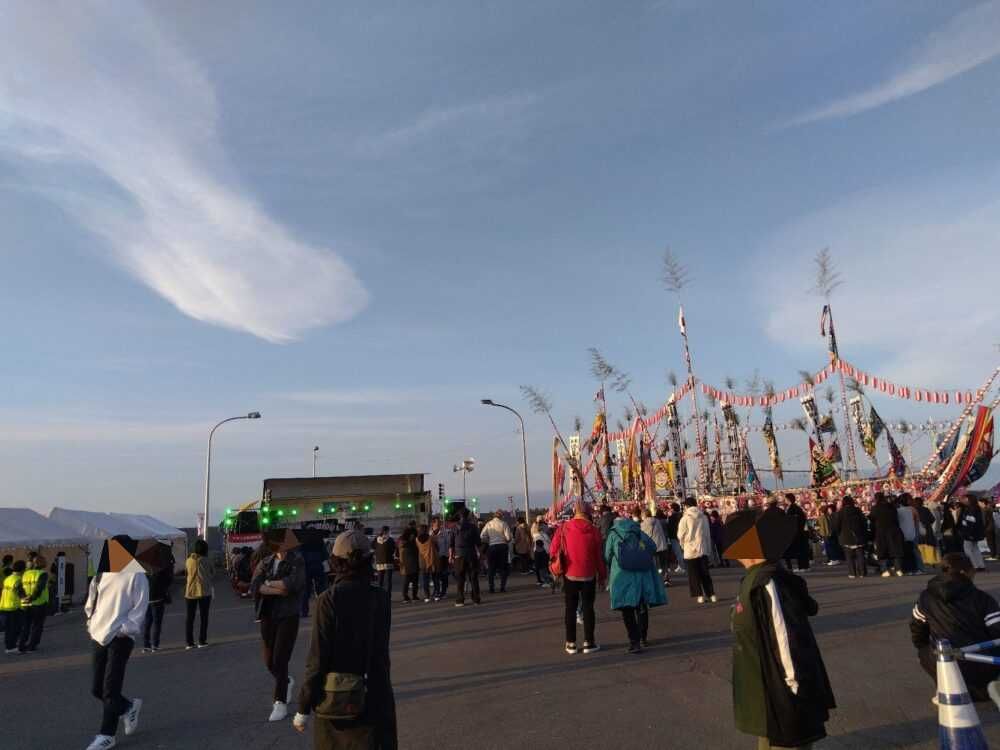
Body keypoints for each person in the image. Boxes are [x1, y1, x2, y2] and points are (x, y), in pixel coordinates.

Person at [724, 511, 836, 749]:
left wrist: (792, 682)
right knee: (771, 738)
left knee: (786, 741)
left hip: (779, 687)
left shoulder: (767, 582)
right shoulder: (754, 579)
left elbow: (784, 635)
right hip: (766, 686)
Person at [293, 529, 397, 748]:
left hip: (337, 700)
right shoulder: (381, 597)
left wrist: (303, 706)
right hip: (377, 694)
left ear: (335, 561)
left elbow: (317, 660)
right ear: (369, 560)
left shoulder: (328, 600)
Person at [84, 536, 149, 750]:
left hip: (120, 639)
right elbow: (92, 601)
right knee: (96, 689)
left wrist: (124, 630)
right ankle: (128, 707)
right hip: (98, 635)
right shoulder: (103, 573)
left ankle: (107, 734)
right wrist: (91, 623)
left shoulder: (136, 575)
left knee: (110, 690)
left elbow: (140, 608)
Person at [910, 553, 1000, 704]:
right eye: (973, 571)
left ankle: (946, 686)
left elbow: (917, 629)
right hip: (983, 664)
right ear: (965, 572)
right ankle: (986, 686)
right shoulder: (982, 598)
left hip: (945, 661)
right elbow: (997, 631)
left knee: (924, 652)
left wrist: (924, 649)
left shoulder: (925, 597)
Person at [252, 536, 306, 722]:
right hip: (267, 614)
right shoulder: (265, 561)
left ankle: (279, 702)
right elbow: (255, 585)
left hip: (288, 614)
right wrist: (275, 587)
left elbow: (292, 585)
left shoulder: (297, 560)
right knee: (269, 661)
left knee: (280, 658)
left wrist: (268, 584)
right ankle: (286, 681)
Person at [605, 515, 667, 654]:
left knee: (627, 610)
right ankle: (643, 636)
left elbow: (607, 555)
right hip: (641, 574)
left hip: (622, 576)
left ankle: (634, 641)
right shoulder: (638, 531)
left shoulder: (613, 534)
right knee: (641, 606)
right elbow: (652, 546)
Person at [550, 502, 606, 654]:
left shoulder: (563, 528)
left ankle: (571, 643)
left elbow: (553, 549)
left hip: (570, 573)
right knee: (588, 608)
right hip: (588, 574)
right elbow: (599, 556)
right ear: (588, 513)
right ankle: (589, 642)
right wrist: (602, 576)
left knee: (570, 608)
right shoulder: (594, 530)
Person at [677, 498, 716, 604]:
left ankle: (700, 595)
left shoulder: (685, 518)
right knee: (705, 573)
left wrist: (683, 544)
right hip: (702, 548)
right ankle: (711, 594)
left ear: (687, 506)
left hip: (690, 549)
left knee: (693, 574)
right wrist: (708, 548)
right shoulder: (703, 517)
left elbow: (680, 534)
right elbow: (707, 534)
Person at [184, 539, 214, 649]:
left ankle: (189, 643)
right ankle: (202, 641)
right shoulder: (207, 561)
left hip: (190, 592)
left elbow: (186, 573)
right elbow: (213, 573)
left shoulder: (188, 561)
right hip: (205, 592)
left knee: (190, 618)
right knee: (204, 617)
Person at [142, 549, 174, 653]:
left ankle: (146, 645)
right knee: (157, 622)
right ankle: (155, 645)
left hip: (147, 599)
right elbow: (168, 581)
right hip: (158, 599)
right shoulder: (161, 569)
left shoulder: (144, 569)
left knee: (147, 622)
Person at [17, 554, 48, 652]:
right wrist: (32, 598)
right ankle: (32, 646)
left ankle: (21, 645)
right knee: (37, 626)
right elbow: (39, 588)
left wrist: (23, 597)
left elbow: (19, 587)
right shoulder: (42, 573)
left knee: (26, 625)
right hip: (39, 604)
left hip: (26, 604)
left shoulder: (25, 573)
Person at [450, 508, 481, 606]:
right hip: (471, 554)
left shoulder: (454, 528)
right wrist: (481, 554)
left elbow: (451, 544)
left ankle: (460, 600)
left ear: (460, 516)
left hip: (459, 555)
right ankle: (476, 599)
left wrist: (451, 556)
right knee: (473, 577)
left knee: (460, 578)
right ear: (468, 516)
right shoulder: (473, 527)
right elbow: (478, 543)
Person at [870, 493, 905, 577]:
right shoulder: (891, 507)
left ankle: (885, 570)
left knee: (882, 552)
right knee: (896, 551)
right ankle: (898, 569)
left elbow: (872, 520)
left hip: (881, 532)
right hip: (894, 531)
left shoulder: (875, 508)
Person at [831, 496, 867, 579]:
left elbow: (837, 526)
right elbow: (864, 522)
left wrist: (839, 533)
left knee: (849, 557)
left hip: (846, 537)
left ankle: (852, 573)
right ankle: (862, 573)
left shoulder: (841, 512)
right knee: (860, 555)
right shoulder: (857, 510)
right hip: (858, 536)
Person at [480, 510, 512, 594]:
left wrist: (488, 540)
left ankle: (491, 588)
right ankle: (502, 587)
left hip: (492, 547)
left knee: (491, 569)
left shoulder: (488, 524)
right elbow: (508, 537)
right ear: (501, 516)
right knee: (503, 568)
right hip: (502, 546)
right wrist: (505, 540)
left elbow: (482, 536)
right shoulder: (504, 524)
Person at [957, 495, 986, 571]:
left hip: (969, 532)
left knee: (968, 549)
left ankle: (974, 565)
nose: (964, 500)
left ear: (969, 500)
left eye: (965, 499)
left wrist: (968, 533)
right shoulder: (976, 508)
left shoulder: (971, 509)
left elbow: (970, 522)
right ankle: (980, 565)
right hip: (975, 532)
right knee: (975, 548)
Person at [2, 560, 25, 654]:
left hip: (5, 606)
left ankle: (9, 646)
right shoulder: (18, 580)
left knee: (8, 629)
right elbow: (21, 594)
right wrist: (26, 605)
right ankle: (11, 647)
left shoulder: (8, 578)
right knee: (15, 628)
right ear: (22, 570)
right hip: (14, 607)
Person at [782, 494, 810, 573]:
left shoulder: (792, 509)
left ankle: (802, 567)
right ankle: (805, 566)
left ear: (788, 500)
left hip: (797, 533)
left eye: (786, 499)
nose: (785, 501)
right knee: (803, 550)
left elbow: (790, 521)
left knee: (799, 551)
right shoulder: (797, 508)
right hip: (801, 531)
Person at [640, 508, 670, 576]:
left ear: (643, 515)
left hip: (652, 546)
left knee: (654, 564)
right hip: (662, 545)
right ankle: (666, 577)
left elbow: (642, 537)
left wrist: (642, 547)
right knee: (663, 563)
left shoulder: (643, 524)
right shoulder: (657, 521)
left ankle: (657, 578)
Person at [415, 525, 438, 603]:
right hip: (432, 559)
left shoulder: (417, 539)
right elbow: (436, 544)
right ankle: (436, 595)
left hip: (422, 561)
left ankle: (427, 596)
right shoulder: (431, 538)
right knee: (435, 578)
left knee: (425, 579)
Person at [431, 518, 452, 601]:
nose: (439, 525)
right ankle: (437, 591)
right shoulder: (430, 533)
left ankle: (444, 591)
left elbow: (449, 544)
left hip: (443, 557)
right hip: (433, 558)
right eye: (437, 523)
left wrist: (449, 555)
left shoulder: (445, 533)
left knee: (444, 575)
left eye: (440, 523)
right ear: (433, 524)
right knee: (435, 576)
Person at [396, 528, 419, 603]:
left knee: (406, 582)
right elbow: (416, 552)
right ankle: (414, 596)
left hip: (404, 565)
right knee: (414, 581)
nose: (413, 536)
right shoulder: (410, 543)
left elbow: (397, 554)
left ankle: (405, 597)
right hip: (413, 564)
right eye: (412, 535)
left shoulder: (400, 542)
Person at [373, 528, 395, 594]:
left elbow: (373, 546)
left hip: (379, 562)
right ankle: (388, 595)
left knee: (380, 580)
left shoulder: (376, 539)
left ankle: (380, 595)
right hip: (388, 561)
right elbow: (393, 549)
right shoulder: (390, 540)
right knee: (389, 580)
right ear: (387, 531)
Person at [666, 502, 686, 573]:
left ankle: (682, 566)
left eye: (670, 508)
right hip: (681, 536)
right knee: (682, 551)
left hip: (674, 536)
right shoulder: (681, 516)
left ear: (673, 509)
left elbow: (670, 527)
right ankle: (680, 565)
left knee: (678, 552)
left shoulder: (672, 517)